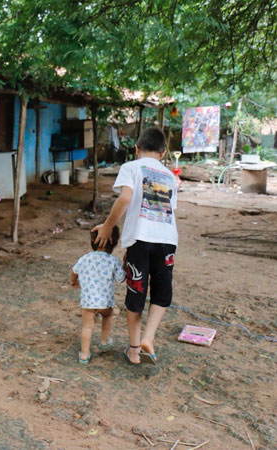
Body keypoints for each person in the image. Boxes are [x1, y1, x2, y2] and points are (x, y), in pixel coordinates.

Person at [92, 127, 178, 365]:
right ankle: (148, 338)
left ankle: (133, 350)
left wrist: (108, 226)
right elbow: (170, 211)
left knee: (136, 293)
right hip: (168, 241)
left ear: (137, 148)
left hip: (140, 240)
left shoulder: (131, 167)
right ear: (163, 153)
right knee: (162, 292)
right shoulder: (171, 177)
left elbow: (126, 198)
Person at [70, 225, 126, 364]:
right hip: (106, 301)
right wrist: (125, 265)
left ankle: (84, 354)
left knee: (87, 327)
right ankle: (104, 341)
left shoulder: (84, 258)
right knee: (107, 316)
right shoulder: (113, 261)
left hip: (88, 301)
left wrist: (73, 281)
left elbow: (74, 271)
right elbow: (120, 278)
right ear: (114, 243)